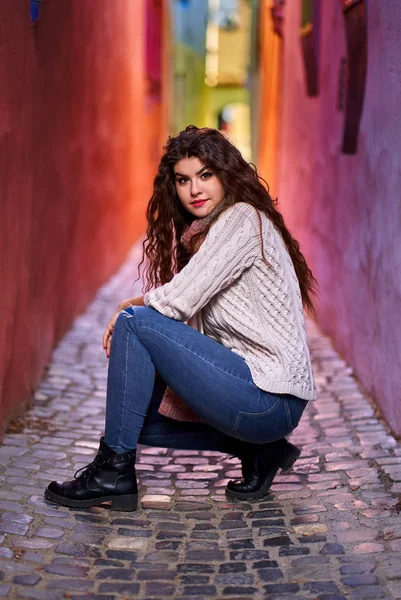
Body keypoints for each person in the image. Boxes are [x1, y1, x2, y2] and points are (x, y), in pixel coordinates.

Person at [44, 125, 317, 512]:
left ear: (226, 175)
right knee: (133, 413)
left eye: (205, 175)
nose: (195, 190)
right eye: (183, 180)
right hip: (255, 396)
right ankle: (260, 451)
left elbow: (176, 302)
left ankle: (113, 473)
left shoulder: (241, 219)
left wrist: (127, 308)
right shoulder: (209, 233)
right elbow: (187, 330)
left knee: (135, 322)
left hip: (270, 396)